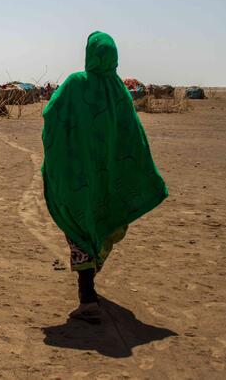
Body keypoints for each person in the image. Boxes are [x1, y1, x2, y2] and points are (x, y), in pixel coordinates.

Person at [41, 32, 168, 323]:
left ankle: (87, 299)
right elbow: (133, 136)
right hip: (109, 179)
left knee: (78, 228)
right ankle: (90, 283)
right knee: (100, 224)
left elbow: (51, 115)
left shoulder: (75, 84)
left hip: (77, 177)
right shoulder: (118, 91)